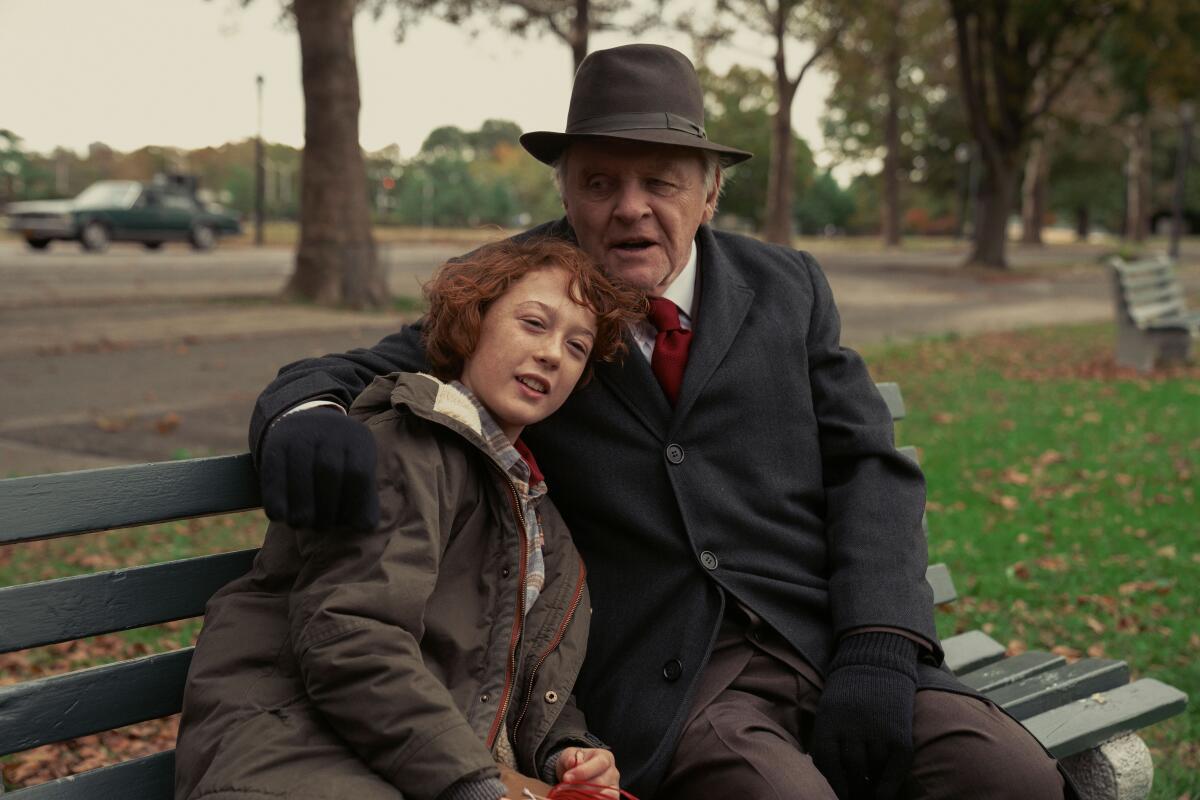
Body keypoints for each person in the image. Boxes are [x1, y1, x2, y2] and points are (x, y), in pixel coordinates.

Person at [246, 44, 1071, 800]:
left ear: (709, 192)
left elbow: (868, 465)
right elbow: (353, 370)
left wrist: (879, 645)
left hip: (824, 642)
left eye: (661, 181)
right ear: (565, 191)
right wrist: (306, 410)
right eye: (599, 182)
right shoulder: (519, 295)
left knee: (1014, 778)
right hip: (669, 682)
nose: (630, 208)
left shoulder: (788, 287)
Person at [175, 238, 644, 800]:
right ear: (473, 322)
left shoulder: (535, 510)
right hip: (295, 752)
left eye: (576, 346)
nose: (552, 354)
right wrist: (472, 784)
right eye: (533, 323)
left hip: (408, 762)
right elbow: (351, 639)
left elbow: (517, 668)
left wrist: (564, 750)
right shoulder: (410, 445)